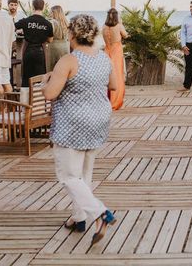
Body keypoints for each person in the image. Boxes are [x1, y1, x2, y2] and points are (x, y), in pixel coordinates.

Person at [41, 14, 117, 244]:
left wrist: (48, 80)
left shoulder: (69, 61)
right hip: (98, 120)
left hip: (72, 123)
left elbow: (50, 94)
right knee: (84, 174)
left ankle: (100, 213)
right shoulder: (104, 59)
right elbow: (113, 85)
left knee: (68, 176)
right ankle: (79, 217)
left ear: (72, 34)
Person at [15, 0, 53, 87]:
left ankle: (25, 98)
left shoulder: (25, 21)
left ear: (32, 7)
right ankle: (38, 98)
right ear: (43, 8)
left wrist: (23, 31)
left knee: (26, 77)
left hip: (28, 50)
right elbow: (50, 40)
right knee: (40, 78)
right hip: (40, 51)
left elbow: (12, 26)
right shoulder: (47, 23)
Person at [102, 8, 128, 110]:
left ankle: (107, 100)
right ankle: (115, 101)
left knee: (107, 76)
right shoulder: (118, 26)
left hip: (106, 52)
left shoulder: (104, 26)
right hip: (116, 53)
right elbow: (125, 35)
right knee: (117, 75)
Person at [47, 5, 70, 72]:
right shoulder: (66, 22)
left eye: (51, 12)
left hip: (55, 47)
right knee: (64, 69)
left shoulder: (53, 22)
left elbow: (49, 36)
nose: (49, 14)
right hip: (65, 46)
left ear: (54, 12)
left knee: (53, 69)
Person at [7, 0, 23, 88]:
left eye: (15, 5)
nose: (13, 7)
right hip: (7, 43)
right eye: (11, 5)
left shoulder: (21, 17)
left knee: (18, 63)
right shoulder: (5, 17)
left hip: (19, 43)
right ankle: (9, 84)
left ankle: (17, 84)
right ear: (8, 5)